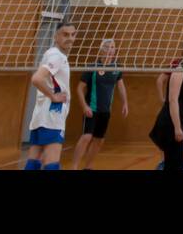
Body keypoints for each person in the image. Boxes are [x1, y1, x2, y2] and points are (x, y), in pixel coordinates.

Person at [25, 22, 76, 170]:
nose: (70, 38)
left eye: (73, 35)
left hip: (41, 115)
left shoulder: (51, 53)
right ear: (55, 36)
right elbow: (37, 79)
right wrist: (53, 96)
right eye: (65, 34)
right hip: (53, 114)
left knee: (34, 159)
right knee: (52, 162)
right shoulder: (57, 56)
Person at [72, 38, 128, 170]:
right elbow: (79, 88)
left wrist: (125, 103)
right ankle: (73, 167)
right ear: (101, 50)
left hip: (105, 111)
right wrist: (84, 106)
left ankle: (88, 167)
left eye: (113, 47)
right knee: (87, 136)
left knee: (99, 140)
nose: (111, 50)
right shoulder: (93, 67)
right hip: (92, 109)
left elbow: (121, 86)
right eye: (108, 47)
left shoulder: (116, 67)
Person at [149, 41, 183, 171]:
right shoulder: (179, 71)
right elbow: (173, 100)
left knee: (179, 162)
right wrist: (178, 128)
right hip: (171, 124)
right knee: (174, 164)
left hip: (181, 121)